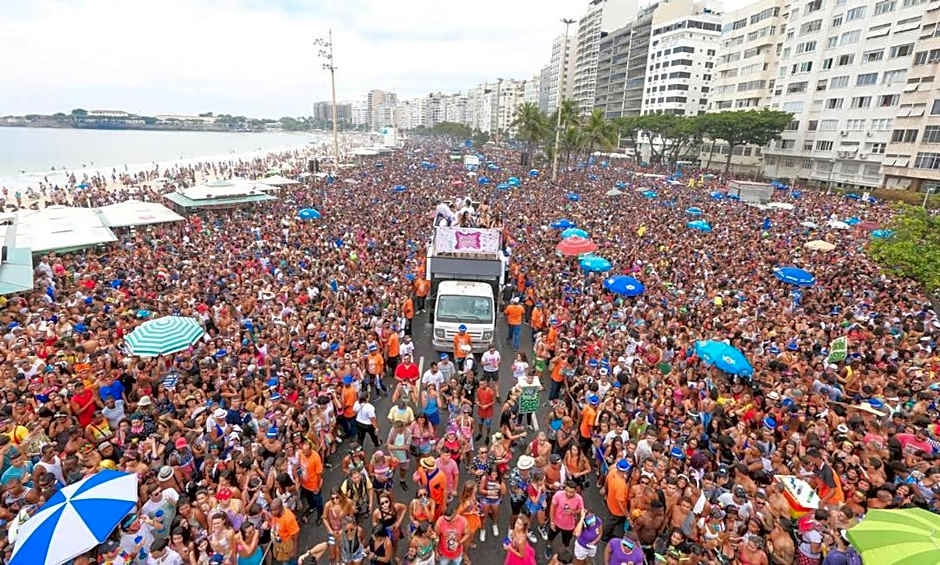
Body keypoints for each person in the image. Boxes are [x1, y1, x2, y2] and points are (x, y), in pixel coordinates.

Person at [435, 501, 469, 565]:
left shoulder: (463, 521)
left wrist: (459, 543)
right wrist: (436, 551)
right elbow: (436, 537)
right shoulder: (440, 520)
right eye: (445, 518)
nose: (446, 521)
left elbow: (467, 534)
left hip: (457, 553)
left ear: (455, 512)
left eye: (449, 520)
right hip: (443, 554)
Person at [268, 498, 299, 565]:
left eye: (274, 510)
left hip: (287, 544)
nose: (272, 512)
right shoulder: (276, 514)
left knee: (289, 561)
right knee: (284, 560)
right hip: (279, 542)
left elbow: (295, 535)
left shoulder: (289, 518)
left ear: (280, 508)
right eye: (271, 510)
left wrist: (294, 550)